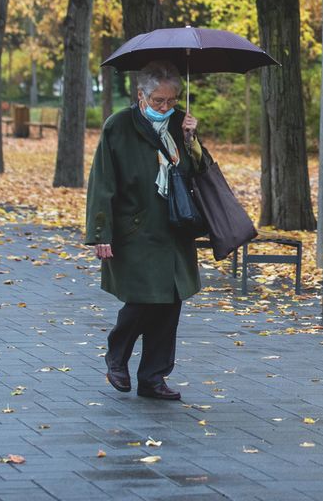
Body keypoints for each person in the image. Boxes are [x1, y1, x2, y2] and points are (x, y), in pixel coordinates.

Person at [85, 60, 206, 401]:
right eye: (158, 102)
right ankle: (117, 355)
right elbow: (102, 182)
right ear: (141, 95)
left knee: (169, 304)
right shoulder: (118, 126)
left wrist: (191, 139)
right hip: (134, 229)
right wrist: (101, 232)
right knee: (141, 301)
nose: (165, 108)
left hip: (174, 228)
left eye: (170, 101)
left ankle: (153, 378)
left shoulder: (181, 123)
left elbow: (201, 171)